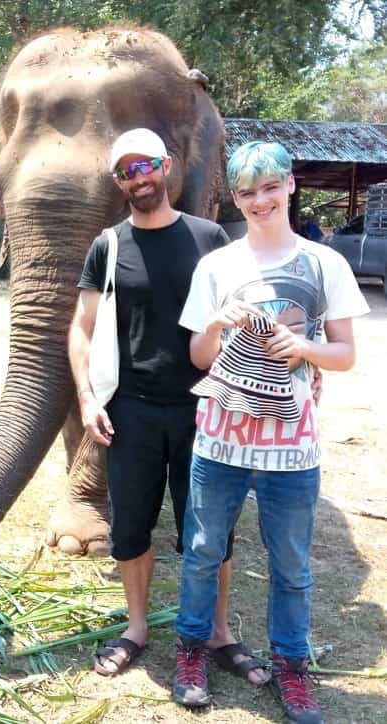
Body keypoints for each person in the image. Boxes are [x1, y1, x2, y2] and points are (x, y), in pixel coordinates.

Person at [171, 141, 369, 722]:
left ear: (289, 187)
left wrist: (303, 345)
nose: (259, 200)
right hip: (220, 440)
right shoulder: (217, 266)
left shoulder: (324, 262)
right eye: (247, 191)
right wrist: (214, 324)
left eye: (269, 187)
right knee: (203, 552)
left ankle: (291, 668)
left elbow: (345, 354)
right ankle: (191, 653)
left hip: (292, 448)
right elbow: (199, 357)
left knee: (292, 565)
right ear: (236, 197)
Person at [69, 128, 264, 681]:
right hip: (129, 411)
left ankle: (220, 632)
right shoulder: (108, 246)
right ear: (118, 182)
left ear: (168, 166)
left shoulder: (210, 239)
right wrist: (87, 399)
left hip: (206, 410)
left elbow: (245, 317)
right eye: (127, 171)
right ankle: (136, 627)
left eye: (147, 165)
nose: (140, 178)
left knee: (211, 530)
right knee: (130, 527)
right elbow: (81, 326)